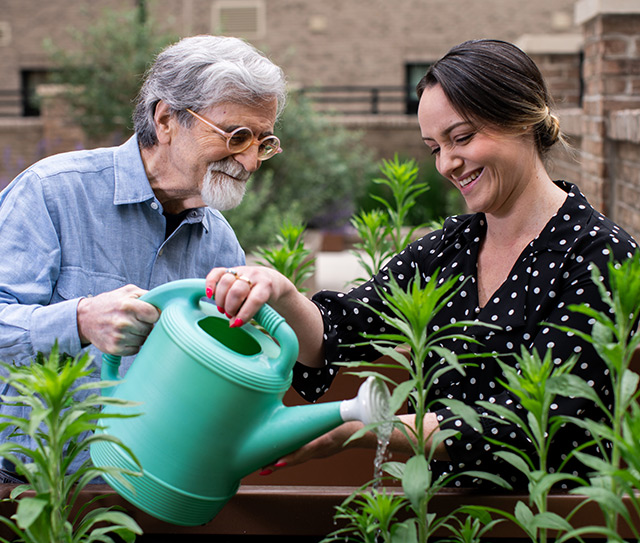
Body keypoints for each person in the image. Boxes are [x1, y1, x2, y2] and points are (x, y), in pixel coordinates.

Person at [206, 39, 638, 490]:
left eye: (462, 137)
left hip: (557, 533)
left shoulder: (600, 255)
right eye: (434, 148)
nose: (448, 163)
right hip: (444, 526)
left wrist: (358, 428)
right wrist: (282, 292)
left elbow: (543, 423)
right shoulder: (449, 250)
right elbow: (341, 334)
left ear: (523, 120)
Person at [0, 35, 287, 480]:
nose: (250, 162)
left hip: (153, 496)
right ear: (167, 119)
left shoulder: (220, 243)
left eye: (263, 142)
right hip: (35, 497)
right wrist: (78, 320)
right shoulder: (52, 192)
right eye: (237, 136)